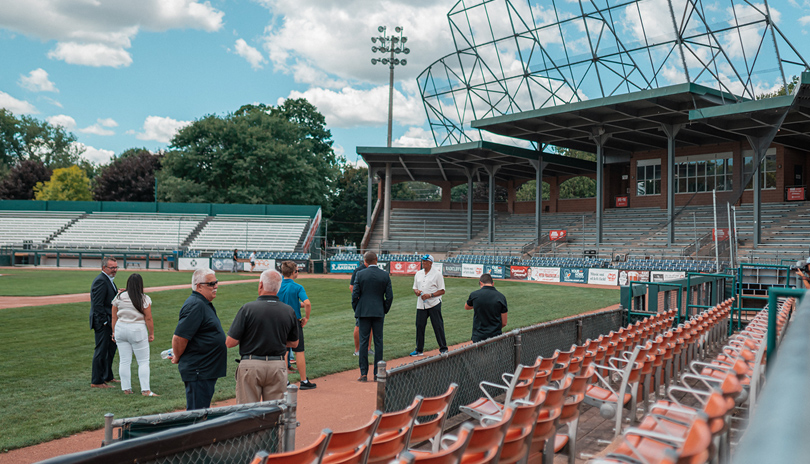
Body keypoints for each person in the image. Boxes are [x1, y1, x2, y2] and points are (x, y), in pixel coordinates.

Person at [226, 269, 299, 403]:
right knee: (275, 414)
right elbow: (294, 343)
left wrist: (253, 337)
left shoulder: (247, 308)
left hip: (251, 365)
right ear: (278, 288)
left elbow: (230, 342)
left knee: (247, 414)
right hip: (277, 365)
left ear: (260, 285)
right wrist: (274, 339)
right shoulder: (289, 310)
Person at [170, 268, 228, 410]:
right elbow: (179, 338)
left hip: (204, 369)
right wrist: (177, 356)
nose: (216, 286)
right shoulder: (196, 305)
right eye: (211, 283)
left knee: (200, 412)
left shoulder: (201, 303)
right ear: (199, 286)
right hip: (199, 370)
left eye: (216, 282)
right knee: (196, 415)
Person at [111, 273, 158, 396]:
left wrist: (114, 332)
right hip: (137, 330)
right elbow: (148, 318)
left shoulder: (119, 297)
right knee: (143, 361)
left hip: (120, 328)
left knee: (124, 361)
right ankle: (145, 390)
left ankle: (126, 389)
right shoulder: (143, 298)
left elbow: (114, 315)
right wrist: (151, 333)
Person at [351, 251, 393, 381]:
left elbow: (355, 294)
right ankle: (377, 373)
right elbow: (389, 296)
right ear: (376, 259)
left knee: (363, 342)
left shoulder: (360, 274)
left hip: (363, 312)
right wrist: (384, 309)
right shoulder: (384, 275)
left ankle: (363, 374)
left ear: (365, 261)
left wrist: (357, 308)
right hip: (378, 311)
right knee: (378, 341)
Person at [278, 261, 317, 390]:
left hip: (280, 320)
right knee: (299, 351)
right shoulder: (297, 287)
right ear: (294, 272)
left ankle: (284, 381)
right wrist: (306, 318)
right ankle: (303, 381)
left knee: (283, 351)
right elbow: (308, 303)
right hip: (294, 321)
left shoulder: (277, 285)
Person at [90, 256, 120, 388]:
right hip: (103, 322)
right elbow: (98, 305)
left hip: (109, 321)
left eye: (116, 267)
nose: (114, 270)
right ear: (104, 268)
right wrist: (104, 322)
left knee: (110, 350)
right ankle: (97, 381)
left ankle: (107, 376)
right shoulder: (101, 281)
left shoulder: (108, 280)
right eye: (111, 267)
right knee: (101, 351)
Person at [411, 254, 448, 356]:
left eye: (425, 261)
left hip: (434, 304)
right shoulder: (418, 273)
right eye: (422, 261)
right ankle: (419, 349)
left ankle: (443, 348)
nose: (423, 263)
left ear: (431, 263)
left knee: (437, 326)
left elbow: (442, 291)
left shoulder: (437, 274)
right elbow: (414, 287)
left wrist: (430, 295)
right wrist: (417, 292)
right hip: (421, 304)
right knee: (419, 326)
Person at [464, 273, 508, 343]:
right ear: (493, 283)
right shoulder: (501, 297)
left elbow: (466, 307)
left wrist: (477, 304)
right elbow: (504, 323)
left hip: (478, 336)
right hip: (495, 336)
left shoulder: (474, 295)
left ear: (481, 283)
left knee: (479, 353)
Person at [350, 259, 372, 356]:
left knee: (371, 325)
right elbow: (351, 287)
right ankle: (357, 350)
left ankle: (368, 348)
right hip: (361, 303)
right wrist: (358, 298)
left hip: (370, 303)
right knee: (359, 325)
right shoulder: (358, 270)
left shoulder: (371, 270)